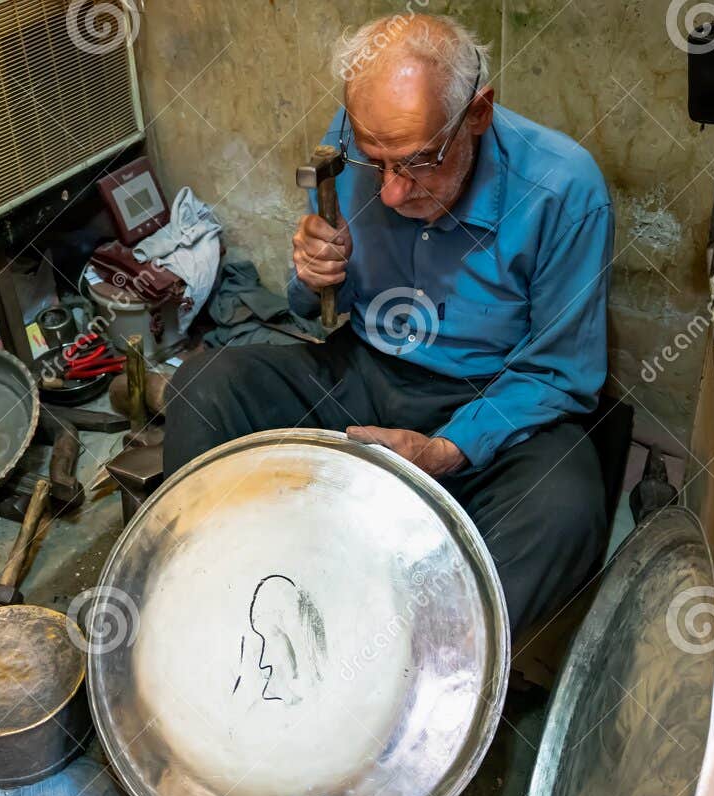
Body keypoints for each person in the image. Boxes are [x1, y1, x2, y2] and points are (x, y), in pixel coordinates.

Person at [164, 13, 614, 633]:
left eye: (419, 162)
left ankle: (421, 668)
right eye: (378, 163)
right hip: (363, 370)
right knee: (205, 385)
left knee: (565, 509)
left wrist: (446, 451)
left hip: (493, 399)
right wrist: (313, 274)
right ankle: (225, 607)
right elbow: (311, 310)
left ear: (477, 114)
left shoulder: (564, 188)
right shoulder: (351, 148)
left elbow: (561, 373)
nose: (394, 193)